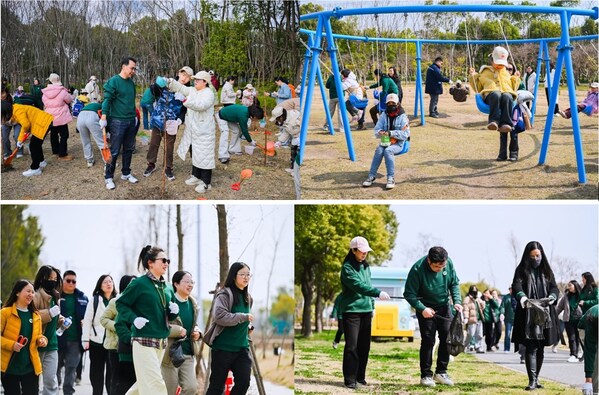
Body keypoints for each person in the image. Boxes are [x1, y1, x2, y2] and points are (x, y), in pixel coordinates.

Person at [115, 245, 179, 395]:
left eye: (168, 260)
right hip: (143, 341)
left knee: (143, 385)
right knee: (156, 383)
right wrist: (134, 318)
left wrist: (174, 313)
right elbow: (121, 303)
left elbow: (168, 316)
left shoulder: (168, 287)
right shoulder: (139, 283)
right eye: (163, 260)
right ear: (150, 263)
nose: (166, 263)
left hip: (161, 342)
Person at [404, 246, 463, 387]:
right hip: (425, 308)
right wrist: (422, 308)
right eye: (436, 267)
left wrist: (457, 301)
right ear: (429, 260)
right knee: (428, 341)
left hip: (444, 306)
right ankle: (426, 375)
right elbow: (409, 294)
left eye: (442, 266)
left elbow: (454, 284)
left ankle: (441, 372)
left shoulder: (448, 264)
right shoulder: (417, 269)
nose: (440, 269)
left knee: (446, 338)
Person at [336, 236, 390, 389]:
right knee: (352, 346)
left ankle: (360, 378)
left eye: (366, 251)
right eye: (362, 251)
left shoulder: (366, 266)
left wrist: (372, 302)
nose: (365, 254)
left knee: (364, 346)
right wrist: (377, 293)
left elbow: (367, 284)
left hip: (366, 311)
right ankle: (350, 380)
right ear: (353, 250)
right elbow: (359, 286)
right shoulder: (347, 268)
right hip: (352, 311)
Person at [511, 241, 559, 391]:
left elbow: (554, 287)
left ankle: (536, 378)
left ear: (541, 255)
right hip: (528, 313)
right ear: (528, 256)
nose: (536, 259)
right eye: (532, 256)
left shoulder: (547, 271)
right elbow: (516, 285)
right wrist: (522, 297)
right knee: (531, 346)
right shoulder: (521, 270)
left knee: (541, 347)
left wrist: (552, 296)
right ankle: (532, 380)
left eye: (538, 256)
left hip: (545, 312)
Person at [204, 262, 255, 395]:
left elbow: (242, 319)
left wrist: (248, 326)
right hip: (222, 349)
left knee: (244, 383)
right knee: (216, 387)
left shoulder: (248, 298)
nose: (246, 277)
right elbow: (220, 316)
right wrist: (243, 318)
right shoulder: (224, 295)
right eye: (242, 274)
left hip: (241, 349)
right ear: (233, 276)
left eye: (248, 274)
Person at [166, 70, 217, 193]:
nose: (195, 82)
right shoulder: (193, 90)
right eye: (195, 80)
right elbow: (182, 88)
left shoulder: (208, 94)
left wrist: (185, 101)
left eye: (198, 80)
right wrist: (170, 82)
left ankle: (206, 182)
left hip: (204, 130)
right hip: (193, 129)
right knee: (195, 153)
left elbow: (201, 105)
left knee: (204, 155)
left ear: (205, 82)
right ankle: (196, 175)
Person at [469, 46, 521, 161]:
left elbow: (513, 87)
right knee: (496, 94)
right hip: (491, 97)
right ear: (492, 60)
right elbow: (477, 87)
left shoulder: (506, 73)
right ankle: (494, 121)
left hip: (507, 100)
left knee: (507, 95)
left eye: (503, 64)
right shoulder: (485, 72)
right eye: (498, 63)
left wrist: (516, 79)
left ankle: (505, 124)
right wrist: (473, 76)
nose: (500, 66)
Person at [144, 66, 192, 181]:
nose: (184, 78)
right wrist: (157, 84)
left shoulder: (188, 91)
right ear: (179, 73)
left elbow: (185, 109)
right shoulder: (168, 83)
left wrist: (180, 119)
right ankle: (151, 164)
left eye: (188, 77)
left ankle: (168, 167)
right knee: (154, 143)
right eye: (183, 75)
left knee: (169, 146)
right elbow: (154, 92)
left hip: (173, 122)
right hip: (158, 119)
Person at [1, 279, 48, 395]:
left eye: (32, 292)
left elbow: (39, 336)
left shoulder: (36, 315)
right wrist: (12, 345)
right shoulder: (4, 313)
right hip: (9, 367)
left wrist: (42, 340)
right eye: (28, 291)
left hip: (30, 367)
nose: (31, 295)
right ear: (17, 292)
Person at [100, 56, 139, 190]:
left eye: (134, 68)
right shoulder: (114, 81)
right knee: (115, 151)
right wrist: (104, 117)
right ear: (123, 66)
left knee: (128, 148)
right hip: (117, 121)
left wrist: (134, 117)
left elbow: (131, 101)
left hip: (130, 120)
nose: (133, 71)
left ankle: (126, 173)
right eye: (131, 68)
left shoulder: (131, 83)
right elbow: (107, 100)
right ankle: (108, 177)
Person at [161, 271, 202, 395]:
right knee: (170, 391)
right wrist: (177, 331)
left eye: (192, 282)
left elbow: (194, 325)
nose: (190, 285)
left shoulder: (193, 304)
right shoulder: (168, 303)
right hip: (170, 354)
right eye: (186, 282)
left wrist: (198, 333)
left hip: (188, 353)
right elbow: (160, 326)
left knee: (191, 388)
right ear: (176, 284)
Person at [361, 93, 410, 190]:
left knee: (388, 151)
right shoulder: (384, 115)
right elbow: (376, 130)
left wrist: (390, 133)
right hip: (386, 141)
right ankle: (371, 176)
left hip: (399, 143)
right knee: (379, 150)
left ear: (398, 103)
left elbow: (405, 134)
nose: (391, 105)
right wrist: (381, 132)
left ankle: (391, 178)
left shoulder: (403, 117)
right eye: (389, 103)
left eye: (393, 103)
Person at [82, 275, 117, 395]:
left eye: (110, 281)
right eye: (105, 282)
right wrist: (85, 340)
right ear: (100, 285)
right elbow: (87, 320)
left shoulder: (117, 300)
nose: (109, 284)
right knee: (96, 373)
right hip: (96, 341)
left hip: (112, 342)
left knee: (112, 373)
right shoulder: (95, 300)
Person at [104, 275, 137, 395]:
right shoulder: (116, 302)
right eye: (131, 283)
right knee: (118, 380)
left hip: (136, 348)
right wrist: (119, 329)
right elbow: (104, 319)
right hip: (117, 346)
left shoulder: (139, 302)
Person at [56, 270, 89, 395]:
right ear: (63, 281)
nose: (71, 283)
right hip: (58, 339)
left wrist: (85, 323)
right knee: (56, 367)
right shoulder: (56, 296)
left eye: (73, 281)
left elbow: (89, 317)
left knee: (71, 368)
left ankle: (68, 392)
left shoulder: (83, 298)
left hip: (75, 340)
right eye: (68, 280)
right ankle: (55, 388)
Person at [32, 265, 63, 395]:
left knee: (50, 380)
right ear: (41, 278)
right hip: (36, 346)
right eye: (49, 278)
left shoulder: (56, 296)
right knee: (32, 381)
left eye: (55, 278)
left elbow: (54, 318)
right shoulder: (36, 295)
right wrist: (49, 313)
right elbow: (31, 317)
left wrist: (62, 321)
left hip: (52, 345)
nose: (52, 281)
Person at [1, 100, 54, 176]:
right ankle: (41, 162)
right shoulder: (15, 110)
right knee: (36, 144)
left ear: (6, 112)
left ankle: (35, 169)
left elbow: (25, 125)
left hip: (42, 123)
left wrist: (19, 139)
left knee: (33, 146)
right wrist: (21, 139)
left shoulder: (17, 110)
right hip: (42, 122)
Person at [42, 73, 73, 160]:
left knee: (53, 134)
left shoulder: (45, 92)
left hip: (50, 115)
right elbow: (69, 99)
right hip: (61, 115)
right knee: (64, 134)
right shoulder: (63, 91)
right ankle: (62, 153)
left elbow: (44, 102)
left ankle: (55, 150)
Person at [556, 280, 583, 363]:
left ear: (575, 286)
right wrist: (554, 315)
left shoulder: (581, 295)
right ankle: (573, 354)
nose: (569, 287)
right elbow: (560, 307)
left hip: (579, 319)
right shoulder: (566, 296)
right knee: (571, 337)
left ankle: (580, 354)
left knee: (579, 338)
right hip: (568, 320)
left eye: (570, 285)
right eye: (568, 285)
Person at [270, 102, 300, 169]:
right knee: (293, 152)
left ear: (280, 117)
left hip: (300, 138)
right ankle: (293, 168)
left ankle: (297, 170)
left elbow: (298, 129)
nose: (277, 121)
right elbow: (286, 131)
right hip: (295, 138)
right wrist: (280, 141)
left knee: (298, 155)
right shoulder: (286, 119)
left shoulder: (295, 118)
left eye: (277, 119)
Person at [76, 100, 105, 168]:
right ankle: (107, 161)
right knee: (101, 141)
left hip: (80, 116)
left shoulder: (91, 105)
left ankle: (89, 160)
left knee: (85, 141)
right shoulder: (103, 107)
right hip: (92, 116)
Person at [578, 305, 598, 395]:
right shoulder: (592, 318)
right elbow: (590, 351)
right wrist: (588, 378)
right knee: (596, 359)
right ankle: (595, 391)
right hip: (585, 327)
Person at [462, 285, 485, 353]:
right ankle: (464, 345)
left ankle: (478, 347)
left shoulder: (477, 299)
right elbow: (465, 309)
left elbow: (483, 307)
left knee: (480, 335)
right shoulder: (467, 299)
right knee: (470, 334)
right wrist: (466, 317)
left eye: (476, 290)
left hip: (479, 319)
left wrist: (480, 300)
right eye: (473, 290)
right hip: (472, 319)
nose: (474, 292)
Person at [500, 286, 515, 353]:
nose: (511, 290)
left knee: (517, 334)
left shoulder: (517, 297)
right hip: (508, 319)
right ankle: (506, 348)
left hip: (516, 318)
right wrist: (502, 313)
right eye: (510, 289)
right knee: (508, 334)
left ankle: (518, 349)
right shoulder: (506, 297)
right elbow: (502, 306)